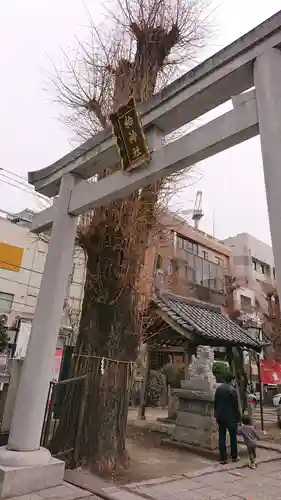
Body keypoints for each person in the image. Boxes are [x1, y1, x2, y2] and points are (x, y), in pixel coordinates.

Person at [214, 372, 241, 464]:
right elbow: (236, 407)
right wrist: (238, 419)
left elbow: (216, 403)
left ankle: (223, 458)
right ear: (232, 380)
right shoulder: (232, 390)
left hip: (220, 416)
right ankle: (234, 456)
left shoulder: (218, 389)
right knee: (233, 437)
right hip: (231, 417)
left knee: (222, 437)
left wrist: (216, 415)